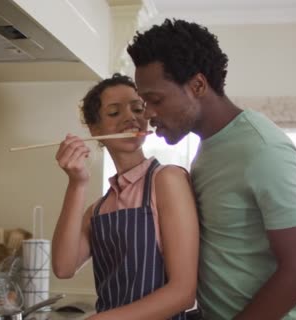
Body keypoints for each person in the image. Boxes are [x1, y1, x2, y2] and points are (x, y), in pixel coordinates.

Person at [126, 19, 296, 320]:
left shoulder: (263, 149)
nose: (148, 114)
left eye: (156, 100)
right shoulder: (208, 150)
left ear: (198, 85)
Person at [51, 73, 199, 319]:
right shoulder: (98, 210)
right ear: (95, 129)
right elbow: (63, 268)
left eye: (138, 108)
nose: (131, 117)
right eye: (114, 113)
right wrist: (77, 183)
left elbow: (183, 292)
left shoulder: (167, 180)